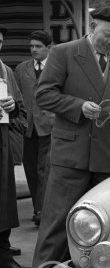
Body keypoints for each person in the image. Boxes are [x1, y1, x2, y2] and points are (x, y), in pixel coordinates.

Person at [25, 6, 110, 268]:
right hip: (71, 155)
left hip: (108, 157)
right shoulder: (64, 53)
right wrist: (78, 106)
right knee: (56, 222)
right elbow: (44, 95)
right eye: (106, 34)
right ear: (91, 26)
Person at [14, 30, 54, 226]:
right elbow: (16, 95)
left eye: (38, 46)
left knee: (45, 169)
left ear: (49, 48)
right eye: (32, 46)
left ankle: (41, 210)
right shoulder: (21, 69)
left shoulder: (56, 68)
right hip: (28, 128)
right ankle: (38, 207)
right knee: (31, 169)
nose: (34, 50)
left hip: (50, 127)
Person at [0, 26, 31, 268]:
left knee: (4, 201)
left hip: (2, 148)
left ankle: (3, 253)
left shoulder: (6, 72)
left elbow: (22, 113)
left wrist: (12, 109)